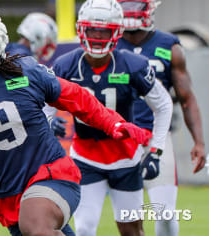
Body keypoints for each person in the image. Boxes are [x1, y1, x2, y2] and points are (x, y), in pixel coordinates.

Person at [0, 6, 151, 236]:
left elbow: (76, 97)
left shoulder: (25, 72)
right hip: (8, 198)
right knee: (36, 228)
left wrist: (112, 123)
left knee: (35, 226)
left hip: (52, 175)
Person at [52, 0, 173, 235]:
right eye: (92, 29)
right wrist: (48, 121)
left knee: (131, 230)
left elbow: (164, 105)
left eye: (104, 30)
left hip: (126, 159)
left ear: (117, 31)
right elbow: (41, 101)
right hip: (86, 158)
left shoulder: (133, 65)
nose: (97, 36)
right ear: (81, 30)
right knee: (85, 228)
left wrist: (156, 151)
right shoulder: (66, 65)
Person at [0, 12, 65, 236]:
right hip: (15, 139)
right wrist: (46, 121)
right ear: (40, 37)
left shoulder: (3, 50)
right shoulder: (24, 61)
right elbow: (22, 102)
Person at [116, 0, 207, 235]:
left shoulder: (169, 45)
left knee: (165, 213)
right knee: (126, 219)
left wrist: (198, 141)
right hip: (116, 140)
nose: (131, 10)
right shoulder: (109, 43)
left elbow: (186, 98)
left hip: (155, 138)